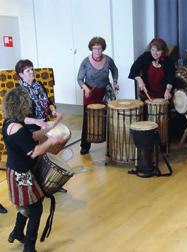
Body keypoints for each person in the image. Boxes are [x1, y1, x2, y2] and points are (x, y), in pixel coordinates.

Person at [2, 88, 64, 252]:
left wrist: (55, 124)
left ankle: (16, 231)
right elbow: (35, 151)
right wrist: (52, 141)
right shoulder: (18, 129)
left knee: (27, 204)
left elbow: (34, 136)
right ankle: (29, 247)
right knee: (36, 208)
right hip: (21, 174)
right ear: (22, 106)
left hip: (16, 170)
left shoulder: (10, 122)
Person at [15, 59, 67, 193]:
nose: (32, 72)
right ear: (21, 74)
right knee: (36, 158)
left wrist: (53, 111)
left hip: (43, 124)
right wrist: (36, 122)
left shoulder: (39, 85)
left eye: (32, 69)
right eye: (28, 70)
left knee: (47, 156)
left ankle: (50, 183)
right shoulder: (19, 92)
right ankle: (37, 187)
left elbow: (49, 102)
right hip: (30, 128)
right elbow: (20, 117)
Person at [77, 36, 119, 155]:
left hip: (105, 92)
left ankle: (111, 145)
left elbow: (115, 70)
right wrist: (85, 89)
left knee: (109, 118)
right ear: (91, 49)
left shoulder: (108, 60)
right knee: (88, 120)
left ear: (103, 49)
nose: (97, 51)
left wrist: (115, 82)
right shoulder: (86, 61)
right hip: (90, 93)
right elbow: (79, 79)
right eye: (95, 49)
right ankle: (85, 146)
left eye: (99, 48)